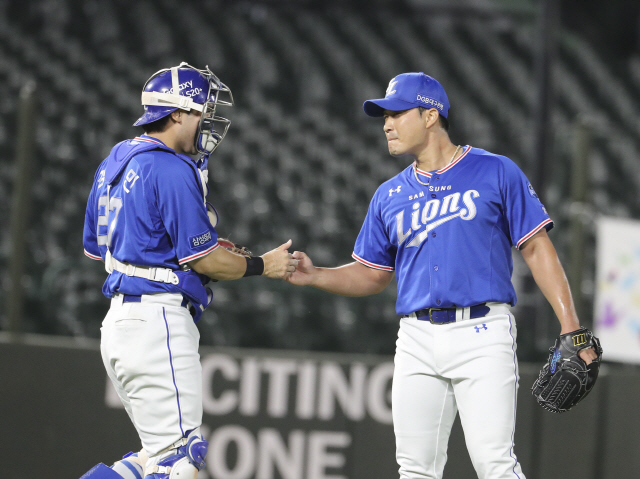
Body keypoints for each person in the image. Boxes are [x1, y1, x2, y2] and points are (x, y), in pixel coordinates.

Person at [286, 72, 597, 479]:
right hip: (416, 338)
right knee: (415, 469)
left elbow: (537, 248)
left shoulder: (495, 171)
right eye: (385, 116)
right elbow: (373, 274)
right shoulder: (388, 195)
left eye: (397, 113)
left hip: (482, 332)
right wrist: (317, 275)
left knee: (494, 463)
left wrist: (570, 326)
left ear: (430, 115)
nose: (386, 124)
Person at [80, 63, 297, 479]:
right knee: (179, 463)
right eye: (201, 112)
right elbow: (204, 260)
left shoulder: (113, 162)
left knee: (148, 460)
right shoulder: (171, 167)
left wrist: (192, 255)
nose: (207, 122)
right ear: (176, 113)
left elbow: (97, 247)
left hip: (120, 324)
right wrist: (260, 265)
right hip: (158, 321)